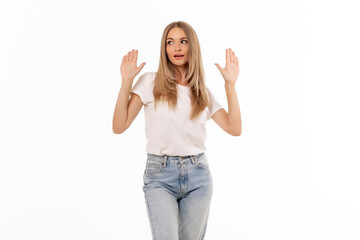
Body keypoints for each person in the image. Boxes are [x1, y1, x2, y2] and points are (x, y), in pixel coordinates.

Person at [112, 21, 241, 240]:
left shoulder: (201, 92)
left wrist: (230, 85)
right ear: (164, 49)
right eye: (170, 42)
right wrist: (126, 82)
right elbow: (119, 126)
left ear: (193, 47)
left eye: (183, 41)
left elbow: (234, 127)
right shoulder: (149, 82)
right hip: (159, 176)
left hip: (198, 175)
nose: (177, 48)